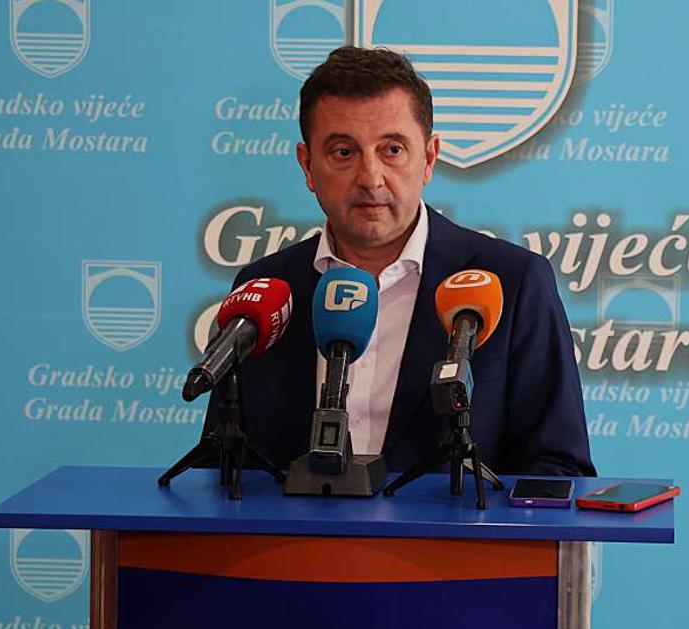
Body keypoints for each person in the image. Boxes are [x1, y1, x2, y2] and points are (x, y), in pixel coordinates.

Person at [204, 47, 596, 477]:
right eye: (343, 152)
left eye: (392, 149)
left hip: (451, 524)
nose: (370, 177)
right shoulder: (265, 290)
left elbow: (559, 466)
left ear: (428, 158)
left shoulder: (512, 282)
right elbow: (223, 464)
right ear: (308, 166)